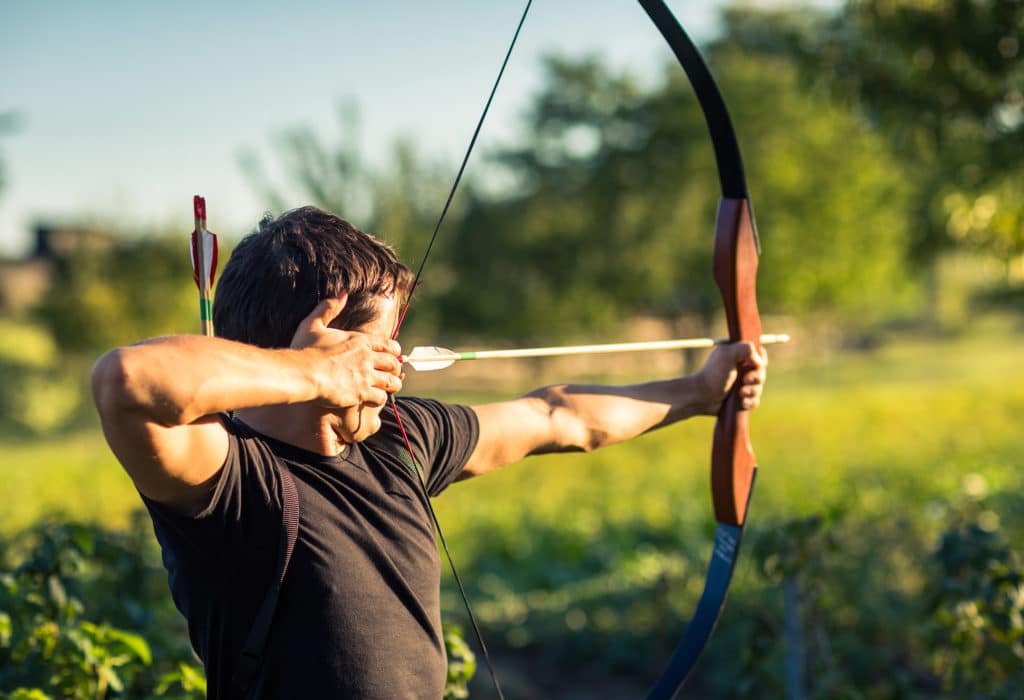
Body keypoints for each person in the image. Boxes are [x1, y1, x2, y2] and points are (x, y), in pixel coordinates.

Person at [91, 206, 766, 699]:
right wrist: (315, 376)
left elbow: (560, 416)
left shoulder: (399, 439)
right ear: (324, 343)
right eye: (380, 348)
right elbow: (126, 380)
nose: (396, 370)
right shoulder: (230, 480)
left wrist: (701, 392)